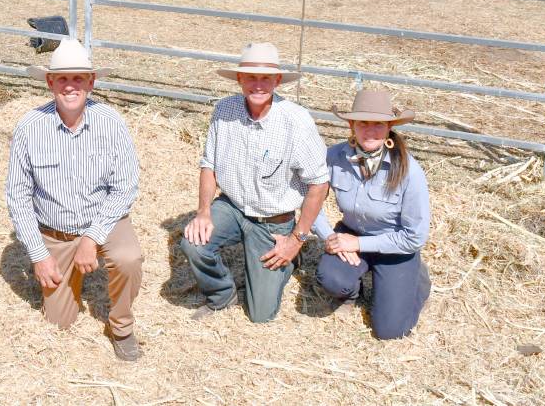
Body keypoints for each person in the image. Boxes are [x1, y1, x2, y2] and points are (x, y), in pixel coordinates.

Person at [4, 39, 144, 361]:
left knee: (128, 257)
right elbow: (18, 197)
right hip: (56, 231)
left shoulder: (111, 123)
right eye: (63, 79)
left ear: (91, 82)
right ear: (50, 82)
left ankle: (121, 326)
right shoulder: (29, 127)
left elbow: (125, 187)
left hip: (103, 222)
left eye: (78, 78)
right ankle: (65, 278)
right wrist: (39, 256)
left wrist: (91, 239)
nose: (70, 87)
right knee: (59, 321)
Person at [179, 42, 329, 323]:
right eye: (250, 77)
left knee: (260, 314)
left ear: (277, 81)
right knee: (193, 242)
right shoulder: (224, 110)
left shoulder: (296, 121)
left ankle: (289, 260)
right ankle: (222, 294)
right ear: (239, 79)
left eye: (265, 78)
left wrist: (297, 239)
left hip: (274, 219)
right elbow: (208, 165)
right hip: (233, 206)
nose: (258, 85)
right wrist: (203, 212)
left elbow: (319, 184)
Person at [313, 89, 431, 340]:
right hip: (352, 233)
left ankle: (417, 282)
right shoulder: (333, 157)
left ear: (389, 127)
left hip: (395, 244)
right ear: (351, 125)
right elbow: (311, 203)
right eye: (363, 123)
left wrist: (357, 243)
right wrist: (331, 238)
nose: (370, 130)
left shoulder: (410, 171)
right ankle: (352, 293)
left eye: (378, 124)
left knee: (390, 331)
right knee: (331, 279)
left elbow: (414, 237)